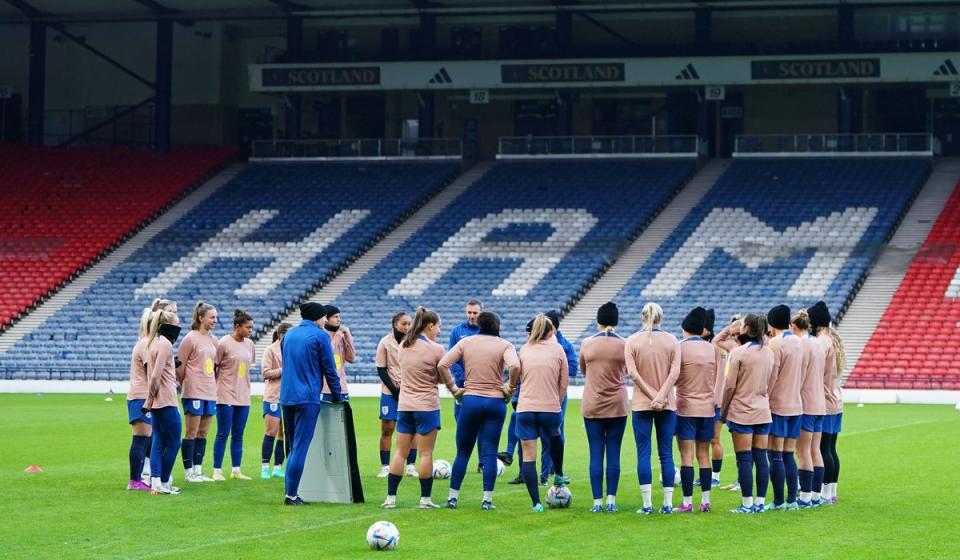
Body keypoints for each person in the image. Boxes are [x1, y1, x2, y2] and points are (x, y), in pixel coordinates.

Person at [382, 307, 462, 510]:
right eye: (438, 327)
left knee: (399, 452)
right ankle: (425, 500)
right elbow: (442, 376)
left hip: (405, 405)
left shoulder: (403, 346)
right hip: (427, 405)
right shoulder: (436, 349)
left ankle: (391, 499)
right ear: (430, 325)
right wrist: (454, 389)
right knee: (426, 454)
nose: (439, 331)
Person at [439, 311, 520, 510]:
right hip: (494, 401)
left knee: (463, 451)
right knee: (490, 451)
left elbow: (442, 364)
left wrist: (453, 389)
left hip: (471, 400)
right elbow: (515, 366)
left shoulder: (466, 342)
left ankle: (452, 498)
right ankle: (487, 500)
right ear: (497, 327)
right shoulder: (504, 344)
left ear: (479, 326)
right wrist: (509, 388)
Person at [280, 303, 342, 506]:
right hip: (307, 398)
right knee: (300, 446)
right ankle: (291, 495)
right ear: (317, 317)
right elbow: (329, 369)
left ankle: (290, 490)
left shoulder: (288, 335)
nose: (326, 320)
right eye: (324, 317)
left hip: (287, 396)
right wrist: (336, 394)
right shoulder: (320, 336)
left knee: (292, 445)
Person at [508, 314, 569, 513]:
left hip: (525, 408)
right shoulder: (558, 349)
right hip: (549, 407)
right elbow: (564, 381)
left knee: (528, 456)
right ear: (551, 330)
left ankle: (536, 503)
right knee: (556, 436)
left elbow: (516, 373)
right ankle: (558, 473)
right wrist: (557, 402)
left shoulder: (525, 349)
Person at [625, 302, 680, 515]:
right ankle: (667, 503)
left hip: (641, 404)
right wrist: (661, 396)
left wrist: (651, 396)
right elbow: (674, 373)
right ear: (661, 318)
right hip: (667, 404)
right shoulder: (672, 340)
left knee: (643, 453)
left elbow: (633, 373)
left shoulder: (632, 341)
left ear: (642, 317)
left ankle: (647, 504)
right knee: (666, 453)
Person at [720, 313, 776, 514]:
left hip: (742, 411)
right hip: (762, 411)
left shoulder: (739, 353)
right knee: (761, 457)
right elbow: (773, 381)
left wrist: (723, 411)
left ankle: (746, 504)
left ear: (747, 329)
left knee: (744, 458)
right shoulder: (769, 353)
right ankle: (760, 503)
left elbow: (729, 386)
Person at [579, 302, 628, 513]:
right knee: (614, 452)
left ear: (598, 320)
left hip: (593, 404)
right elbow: (627, 370)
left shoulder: (587, 343)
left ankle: (597, 501)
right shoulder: (625, 344)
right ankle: (611, 500)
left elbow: (583, 370)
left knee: (596, 452)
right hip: (617, 404)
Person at [674, 307, 722, 513]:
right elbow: (720, 379)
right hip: (707, 409)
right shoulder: (713, 349)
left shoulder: (679, 347)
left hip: (685, 408)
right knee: (703, 455)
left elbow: (673, 377)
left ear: (685, 327)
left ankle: (687, 502)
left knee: (686, 456)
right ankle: (706, 500)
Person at [765, 304, 804, 512]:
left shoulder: (775, 343)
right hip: (796, 404)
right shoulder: (799, 341)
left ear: (771, 323)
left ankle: (779, 501)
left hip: (778, 404)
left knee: (776, 454)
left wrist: (765, 395)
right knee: (789, 454)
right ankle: (792, 500)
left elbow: (773, 374)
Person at [176, 301, 219, 483]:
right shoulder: (190, 339)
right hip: (193, 391)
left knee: (203, 433)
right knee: (191, 433)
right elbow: (180, 366)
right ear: (201, 318)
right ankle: (189, 472)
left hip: (210, 392)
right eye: (212, 317)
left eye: (216, 317)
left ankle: (199, 470)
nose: (215, 320)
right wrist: (185, 384)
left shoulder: (213, 340)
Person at [213, 309, 256, 481]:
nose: (250, 331)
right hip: (225, 395)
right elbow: (215, 368)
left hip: (243, 395)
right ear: (237, 327)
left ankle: (236, 470)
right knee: (223, 433)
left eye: (251, 328)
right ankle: (217, 470)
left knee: (238, 433)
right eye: (248, 328)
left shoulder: (250, 345)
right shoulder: (223, 343)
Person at [143, 309, 183, 495]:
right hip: (166, 400)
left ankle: (156, 482)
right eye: (177, 322)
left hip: (158, 402)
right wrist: (149, 399)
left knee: (158, 442)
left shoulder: (154, 342)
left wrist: (150, 401)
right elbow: (155, 376)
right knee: (174, 441)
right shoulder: (166, 344)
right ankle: (164, 482)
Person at [809, 301, 845, 506]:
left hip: (824, 401)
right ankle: (831, 491)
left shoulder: (821, 342)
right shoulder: (832, 339)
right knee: (830, 448)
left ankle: (824, 492)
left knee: (822, 448)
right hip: (835, 400)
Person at [376, 312, 418, 478]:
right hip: (390, 392)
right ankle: (385, 467)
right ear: (395, 324)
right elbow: (381, 368)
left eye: (409, 324)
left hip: (410, 391)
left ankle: (411, 466)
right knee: (387, 428)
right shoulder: (385, 343)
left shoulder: (414, 342)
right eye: (403, 324)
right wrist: (394, 389)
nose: (407, 327)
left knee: (412, 429)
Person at [792, 309, 826, 508]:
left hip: (806, 403)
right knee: (815, 450)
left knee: (802, 451)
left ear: (795, 327)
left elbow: (801, 374)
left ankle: (805, 497)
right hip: (820, 403)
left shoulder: (802, 344)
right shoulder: (818, 343)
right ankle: (815, 495)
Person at [542, 310, 578, 482]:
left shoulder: (565, 345)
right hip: (539, 391)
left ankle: (555, 470)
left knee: (557, 431)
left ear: (554, 327)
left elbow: (573, 369)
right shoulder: (536, 343)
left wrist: (554, 366)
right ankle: (535, 471)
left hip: (558, 394)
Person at [126, 306, 157, 491]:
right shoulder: (146, 344)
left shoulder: (145, 342)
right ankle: (135, 480)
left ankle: (139, 479)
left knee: (145, 438)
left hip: (141, 395)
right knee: (140, 438)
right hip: (141, 396)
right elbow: (151, 371)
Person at [260, 323, 292, 480]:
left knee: (283, 433)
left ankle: (278, 467)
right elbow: (265, 373)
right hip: (273, 396)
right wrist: (284, 369)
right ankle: (265, 466)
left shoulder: (293, 349)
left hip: (289, 396)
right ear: (281, 335)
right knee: (271, 431)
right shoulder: (270, 350)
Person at [448, 299, 483, 422]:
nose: (471, 316)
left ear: (481, 313)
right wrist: (462, 377)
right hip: (461, 384)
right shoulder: (457, 331)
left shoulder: (488, 331)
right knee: (460, 419)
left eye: (475, 313)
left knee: (480, 421)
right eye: (469, 312)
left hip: (481, 383)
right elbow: (451, 359)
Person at [321, 305, 356, 402]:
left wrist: (348, 336)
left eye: (339, 317)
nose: (339, 320)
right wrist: (337, 336)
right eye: (335, 317)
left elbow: (352, 358)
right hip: (324, 388)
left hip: (341, 387)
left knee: (342, 417)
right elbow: (328, 353)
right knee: (326, 417)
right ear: (326, 319)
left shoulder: (342, 336)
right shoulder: (321, 335)